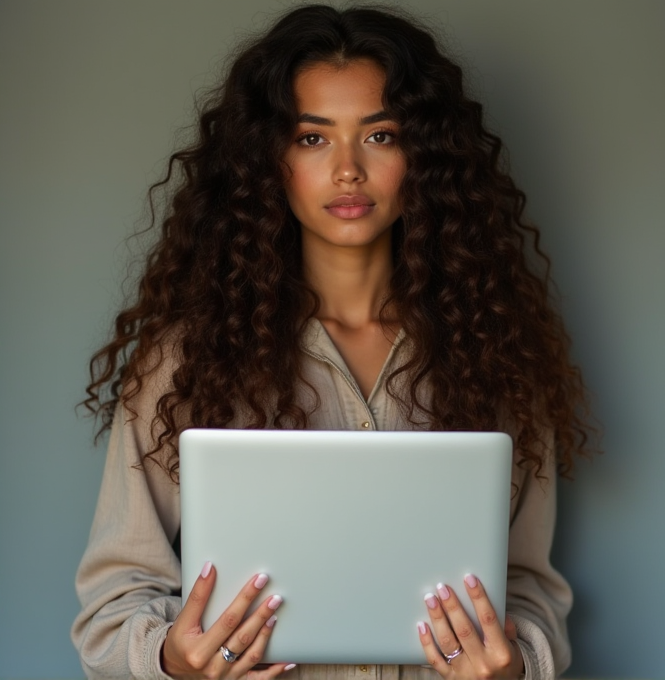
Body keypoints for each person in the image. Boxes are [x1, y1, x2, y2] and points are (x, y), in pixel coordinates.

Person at [72, 5, 591, 680]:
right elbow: (109, 612)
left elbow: (531, 594)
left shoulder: (494, 355)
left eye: (380, 136)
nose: (348, 170)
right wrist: (170, 659)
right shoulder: (185, 361)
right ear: (270, 160)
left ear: (424, 156)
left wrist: (516, 665)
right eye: (312, 139)